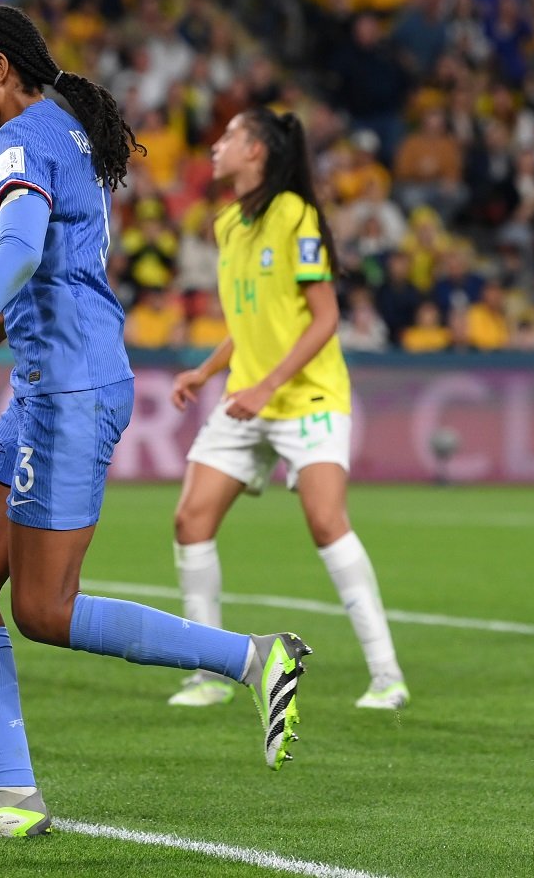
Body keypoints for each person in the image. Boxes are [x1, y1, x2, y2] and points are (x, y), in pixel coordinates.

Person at [0, 5, 310, 840]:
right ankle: (12, 800)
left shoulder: (19, 141)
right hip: (48, 380)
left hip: (69, 390)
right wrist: (9, 321)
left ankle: (256, 658)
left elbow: (19, 248)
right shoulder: (60, 129)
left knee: (45, 609)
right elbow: (58, 257)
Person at [166, 107, 409, 712]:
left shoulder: (295, 215)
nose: (216, 146)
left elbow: (325, 318)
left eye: (228, 138)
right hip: (248, 394)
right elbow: (252, 320)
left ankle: (387, 676)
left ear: (257, 153)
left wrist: (268, 386)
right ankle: (212, 672)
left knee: (327, 523)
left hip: (307, 397)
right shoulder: (227, 225)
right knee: (190, 521)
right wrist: (206, 370)